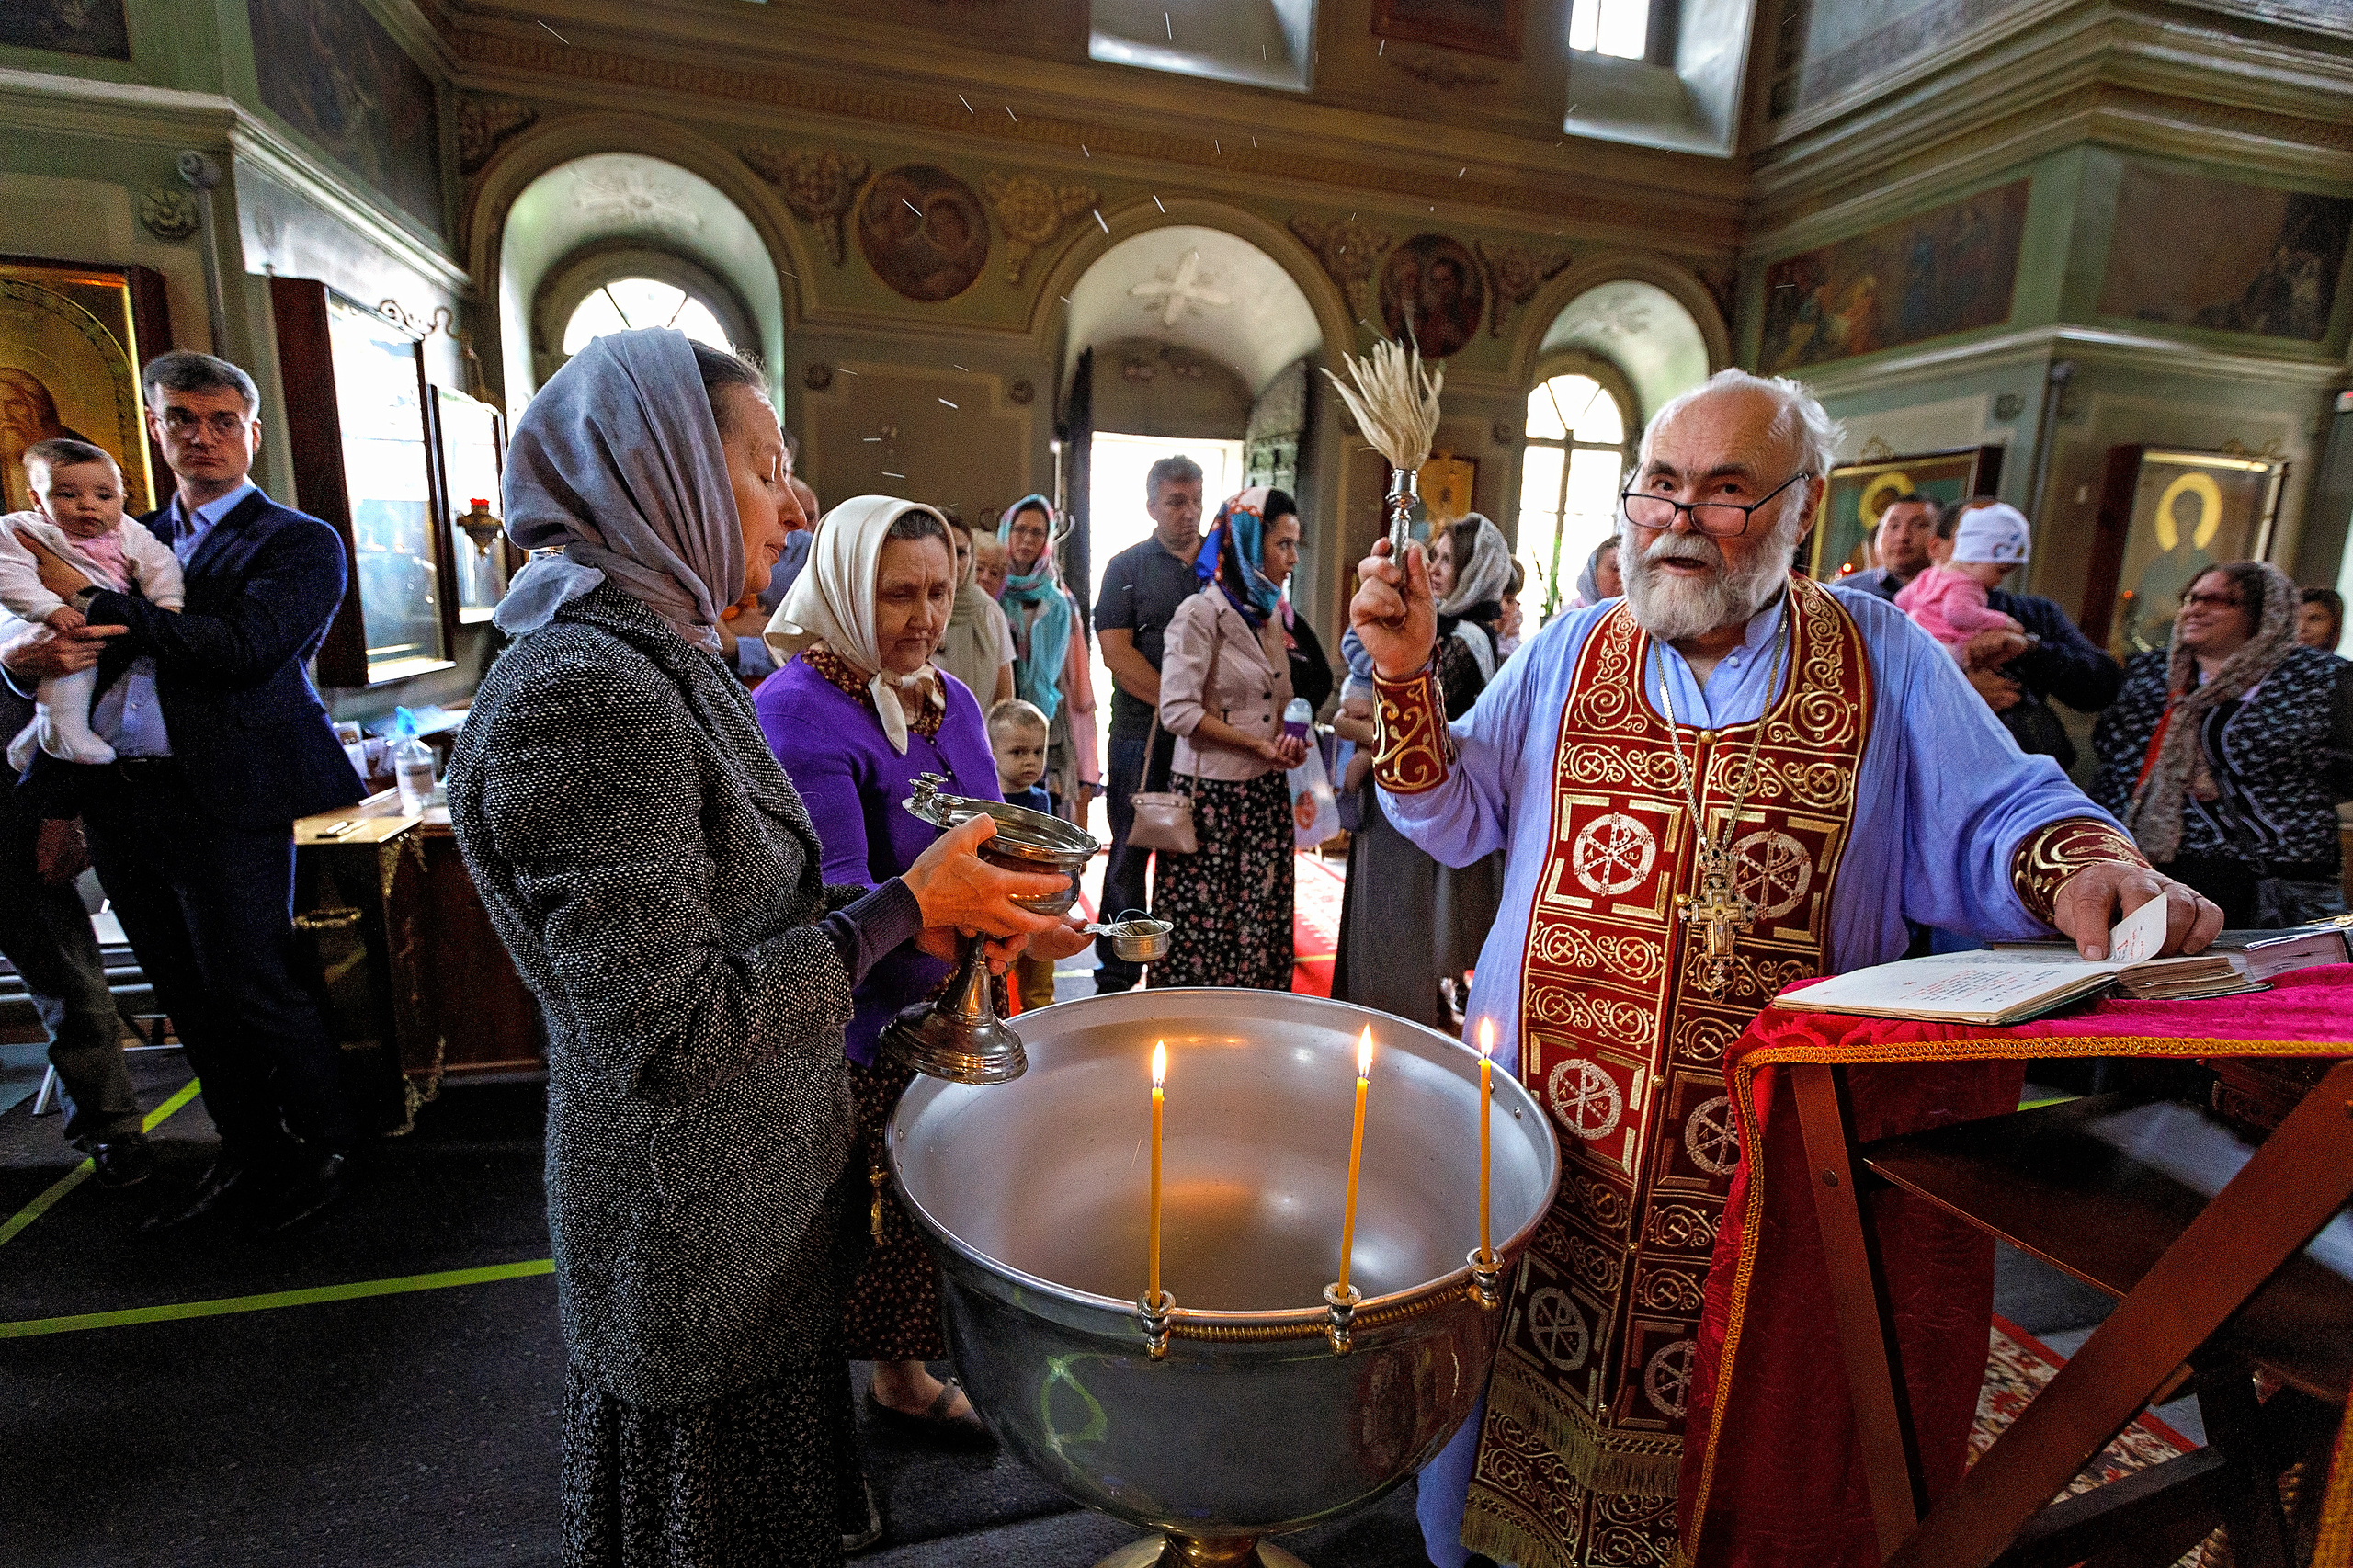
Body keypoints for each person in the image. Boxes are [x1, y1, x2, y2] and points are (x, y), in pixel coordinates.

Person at [1351, 368, 2220, 1568]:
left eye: (1725, 493)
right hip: (1556, 1134)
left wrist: (2085, 866)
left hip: (1759, 1153)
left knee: (1744, 1424)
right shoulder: (1570, 651)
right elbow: (1449, 817)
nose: (1677, 520)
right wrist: (1403, 678)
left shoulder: (1883, 659)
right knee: (1519, 1404)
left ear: (1804, 507)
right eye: (1659, 485)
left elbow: (1998, 814)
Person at [447, 331, 1081, 1564]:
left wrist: (959, 906)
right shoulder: (587, 691)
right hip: (697, 1239)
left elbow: (749, 921)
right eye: (764, 466)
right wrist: (905, 905)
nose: (794, 502)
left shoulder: (662, 657)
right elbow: (673, 1027)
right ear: (662, 472)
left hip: (749, 1216)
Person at [3, 349, 369, 1232]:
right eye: (181, 421)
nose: (201, 438)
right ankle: (251, 1151)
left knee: (252, 981)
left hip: (229, 794)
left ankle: (328, 1149)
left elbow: (244, 651)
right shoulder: (126, 537)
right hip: (121, 793)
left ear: (252, 430)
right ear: (155, 431)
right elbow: (63, 665)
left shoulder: (295, 541)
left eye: (220, 421)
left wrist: (89, 599)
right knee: (182, 987)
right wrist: (29, 669)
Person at [756, 493, 1086, 1460]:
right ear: (843, 587)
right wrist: (991, 929)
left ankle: (903, 1377)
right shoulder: (797, 711)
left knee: (925, 1210)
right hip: (847, 1026)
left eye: (941, 590)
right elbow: (841, 905)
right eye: (898, 593)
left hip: (947, 1004)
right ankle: (810, 1443)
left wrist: (1035, 915)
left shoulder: (948, 697)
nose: (926, 617)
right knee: (844, 1225)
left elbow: (988, 835)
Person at [2092, 560, 2353, 927]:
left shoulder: (2320, 678)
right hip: (2151, 870)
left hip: (2271, 884)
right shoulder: (2151, 672)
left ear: (2264, 612)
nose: (2194, 609)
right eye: (2190, 598)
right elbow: (2114, 755)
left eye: (2216, 600)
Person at [0, 619, 145, 1185]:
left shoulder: (19, 587)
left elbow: (59, 708)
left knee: (72, 985)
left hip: (11, 814)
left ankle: (111, 1133)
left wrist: (62, 814)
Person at [1148, 488, 1305, 990]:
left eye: (1295, 545)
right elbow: (1177, 710)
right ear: (1249, 545)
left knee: (1257, 923)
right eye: (1283, 544)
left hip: (1261, 795)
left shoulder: (1269, 615)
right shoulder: (1199, 612)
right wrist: (1254, 745)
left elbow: (1278, 700)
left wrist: (1286, 741)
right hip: (1211, 799)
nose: (1292, 559)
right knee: (1207, 933)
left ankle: (1251, 1037)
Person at [1855, 496, 2121, 767]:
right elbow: (1858, 693)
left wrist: (2029, 649)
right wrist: (1957, 693)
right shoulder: (1884, 610)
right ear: (1936, 547)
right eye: (1975, 536)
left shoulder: (2032, 614)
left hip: (2010, 771)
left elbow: (2103, 685)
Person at [1, 438, 183, 767]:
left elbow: (160, 564)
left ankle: (39, 739)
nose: (88, 505)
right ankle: (65, 734)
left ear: (122, 497)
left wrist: (167, 600)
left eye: (104, 495)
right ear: (37, 499)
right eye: (67, 495)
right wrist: (48, 608)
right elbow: (9, 576)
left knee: (93, 671)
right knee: (70, 668)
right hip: (40, 617)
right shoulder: (20, 529)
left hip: (96, 619)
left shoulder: (131, 531)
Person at [1095, 454, 1205, 991]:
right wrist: (1180, 705)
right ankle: (1117, 973)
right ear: (1151, 507)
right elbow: (1117, 652)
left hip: (1208, 741)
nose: (1188, 513)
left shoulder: (1221, 566)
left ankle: (1181, 967)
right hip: (1142, 732)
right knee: (1129, 850)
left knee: (1195, 852)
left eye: (1195, 500)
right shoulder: (1126, 567)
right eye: (1175, 502)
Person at [997, 494, 1098, 819]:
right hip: (994, 711)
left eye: (1038, 532)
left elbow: (1073, 675)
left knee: (1041, 809)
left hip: (1047, 718)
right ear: (1006, 532)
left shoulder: (1058, 602)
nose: (1027, 539)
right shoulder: (989, 592)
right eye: (1020, 530)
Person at [988, 697, 1058, 1012]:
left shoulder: (1042, 800)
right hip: (1003, 908)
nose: (1030, 761)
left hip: (1039, 908)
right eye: (1018, 752)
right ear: (991, 752)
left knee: (1040, 984)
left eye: (1037, 752)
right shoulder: (989, 802)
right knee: (999, 977)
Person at [1892, 501, 2027, 655]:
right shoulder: (1966, 584)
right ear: (1974, 557)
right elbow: (1958, 613)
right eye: (2000, 571)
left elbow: (1900, 600)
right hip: (1942, 647)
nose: (2000, 580)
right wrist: (2003, 621)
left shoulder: (1930, 574)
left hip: (1913, 640)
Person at [933, 512, 1016, 710]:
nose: (952, 559)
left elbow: (1004, 696)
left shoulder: (989, 611)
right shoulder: (914, 608)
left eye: (961, 552)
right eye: (944, 548)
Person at [1567, 534, 1621, 608]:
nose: (1623, 577)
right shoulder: (1572, 618)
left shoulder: (1635, 617)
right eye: (1616, 568)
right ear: (1593, 573)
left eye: (1630, 572)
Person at [2300, 585, 2344, 653]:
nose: (2301, 628)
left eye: (2314, 619)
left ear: (2335, 625)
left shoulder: (2342, 664)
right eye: (2296, 618)